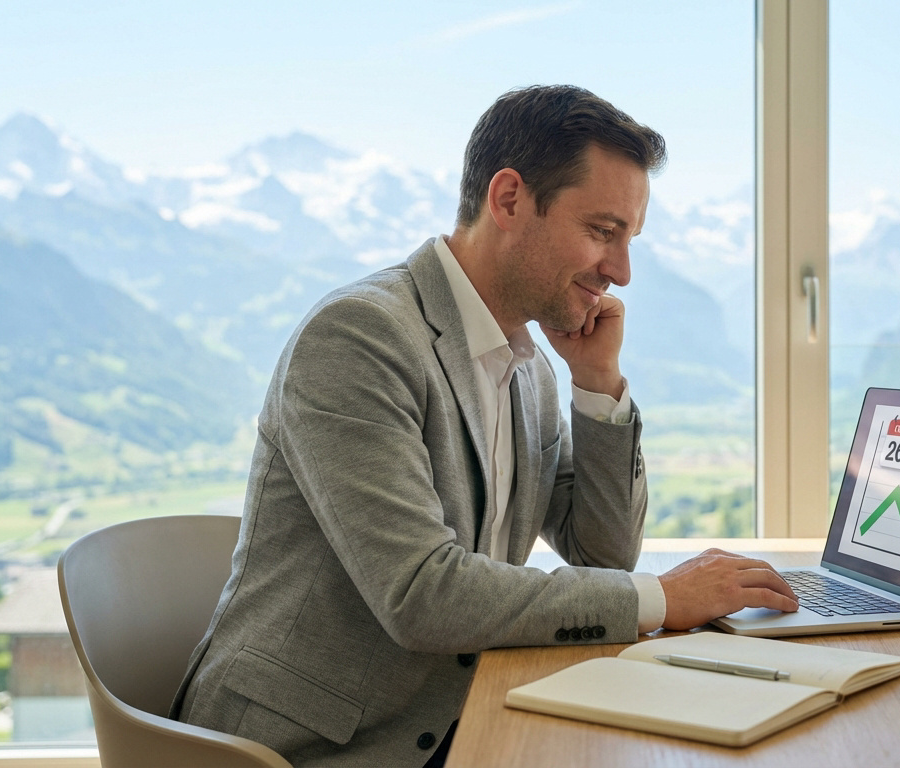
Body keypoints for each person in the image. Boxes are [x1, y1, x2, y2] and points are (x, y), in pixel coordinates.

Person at [170, 84, 798, 767]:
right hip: (310, 746)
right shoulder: (360, 337)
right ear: (508, 200)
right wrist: (663, 597)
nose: (619, 272)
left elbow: (602, 553)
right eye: (602, 232)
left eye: (627, 240)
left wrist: (598, 387)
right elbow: (422, 594)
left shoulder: (530, 366)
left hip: (456, 717)